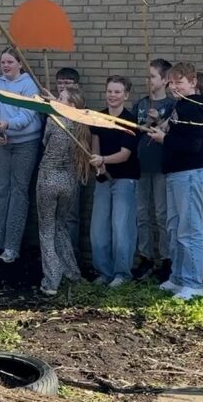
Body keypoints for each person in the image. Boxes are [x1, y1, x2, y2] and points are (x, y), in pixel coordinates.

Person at [148, 62, 203, 301]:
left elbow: (193, 145)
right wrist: (162, 125)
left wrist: (164, 138)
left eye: (180, 82)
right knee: (175, 228)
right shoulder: (181, 106)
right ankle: (177, 278)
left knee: (191, 230)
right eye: (171, 82)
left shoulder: (196, 107)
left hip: (191, 174)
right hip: (176, 174)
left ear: (193, 82)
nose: (174, 87)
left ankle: (193, 284)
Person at [0, 48, 43, 263]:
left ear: (20, 64)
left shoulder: (29, 85)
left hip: (25, 143)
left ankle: (11, 246)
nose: (5, 66)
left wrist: (8, 126)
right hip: (2, 143)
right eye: (3, 62)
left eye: (10, 62)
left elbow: (27, 114)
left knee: (19, 192)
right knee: (0, 191)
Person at [35, 87, 91, 296]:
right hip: (69, 182)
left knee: (46, 229)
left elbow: (45, 142)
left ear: (71, 105)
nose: (57, 100)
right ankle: (72, 272)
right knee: (60, 226)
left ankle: (52, 279)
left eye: (61, 98)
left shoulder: (54, 121)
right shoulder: (81, 125)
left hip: (48, 179)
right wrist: (54, 101)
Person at [89, 75, 139, 286]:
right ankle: (104, 272)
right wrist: (97, 163)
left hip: (125, 178)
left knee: (121, 227)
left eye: (117, 92)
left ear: (126, 95)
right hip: (104, 178)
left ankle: (122, 274)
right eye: (109, 91)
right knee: (98, 227)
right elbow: (95, 146)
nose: (112, 95)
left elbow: (125, 154)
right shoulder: (98, 117)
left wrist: (103, 160)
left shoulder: (130, 121)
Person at [132, 59, 175, 280]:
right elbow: (132, 132)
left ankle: (166, 259)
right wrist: (145, 124)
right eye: (146, 77)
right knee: (141, 213)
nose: (148, 80)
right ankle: (145, 257)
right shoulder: (141, 104)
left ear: (165, 80)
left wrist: (159, 120)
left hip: (161, 166)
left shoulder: (172, 105)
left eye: (152, 76)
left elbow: (173, 134)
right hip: (141, 165)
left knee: (161, 214)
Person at [54, 66, 84, 253]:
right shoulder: (51, 111)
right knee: (53, 216)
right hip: (52, 169)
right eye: (60, 83)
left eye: (67, 83)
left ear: (77, 86)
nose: (63, 87)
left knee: (71, 215)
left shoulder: (83, 114)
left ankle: (71, 255)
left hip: (72, 169)